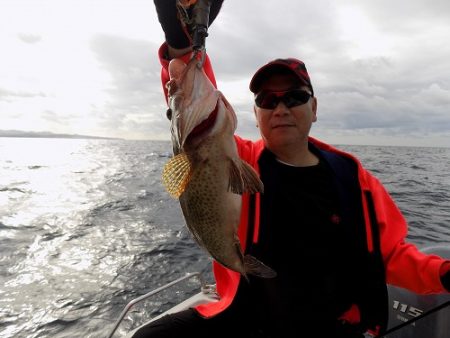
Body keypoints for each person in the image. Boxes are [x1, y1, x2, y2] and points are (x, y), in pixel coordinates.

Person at [132, 1, 450, 337]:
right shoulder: (237, 159)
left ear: (314, 108)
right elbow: (190, 97)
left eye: (294, 97)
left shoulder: (355, 180)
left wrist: (442, 274)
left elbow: (391, 256)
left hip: (329, 325)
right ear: (256, 115)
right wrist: (181, 45)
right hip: (247, 315)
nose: (280, 108)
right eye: (267, 101)